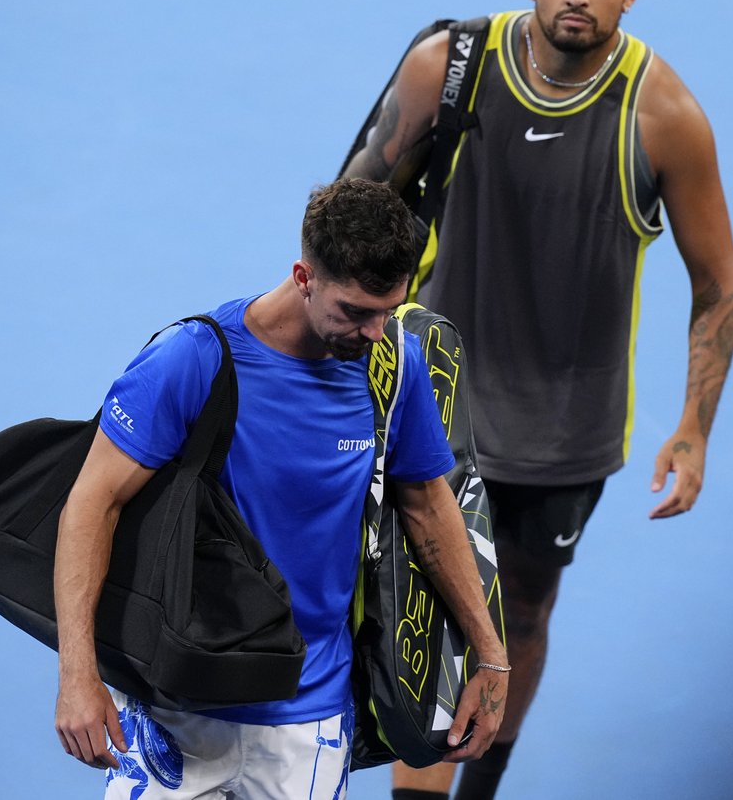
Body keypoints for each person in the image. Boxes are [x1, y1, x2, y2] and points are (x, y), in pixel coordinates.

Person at [341, 0, 733, 800]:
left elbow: (718, 283)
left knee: (523, 607)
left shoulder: (665, 116)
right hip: (435, 406)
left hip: (569, 433)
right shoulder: (445, 68)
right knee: (435, 610)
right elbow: (349, 210)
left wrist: (693, 426)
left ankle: (478, 787)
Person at [52, 178, 509, 799]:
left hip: (310, 724)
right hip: (177, 712)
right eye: (354, 311)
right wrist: (78, 672)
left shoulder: (394, 366)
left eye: (388, 309)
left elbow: (429, 506)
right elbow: (92, 502)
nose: (376, 332)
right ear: (304, 276)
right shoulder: (196, 359)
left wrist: (489, 650)